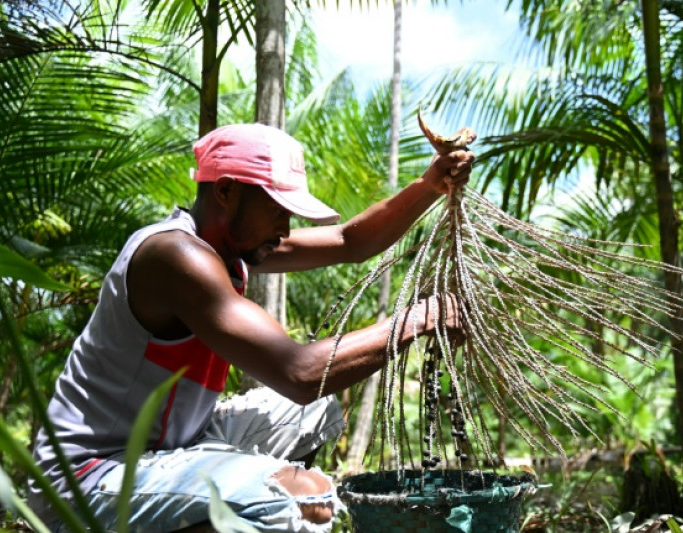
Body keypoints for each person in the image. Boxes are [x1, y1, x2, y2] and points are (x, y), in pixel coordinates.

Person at [28, 123, 474, 532]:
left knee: (313, 413)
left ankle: (215, 508)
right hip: (86, 480)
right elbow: (300, 373)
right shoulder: (175, 256)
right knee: (303, 500)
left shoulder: (231, 248)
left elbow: (348, 241)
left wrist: (430, 184)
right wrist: (421, 318)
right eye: (278, 210)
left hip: (173, 446)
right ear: (226, 192)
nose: (286, 228)